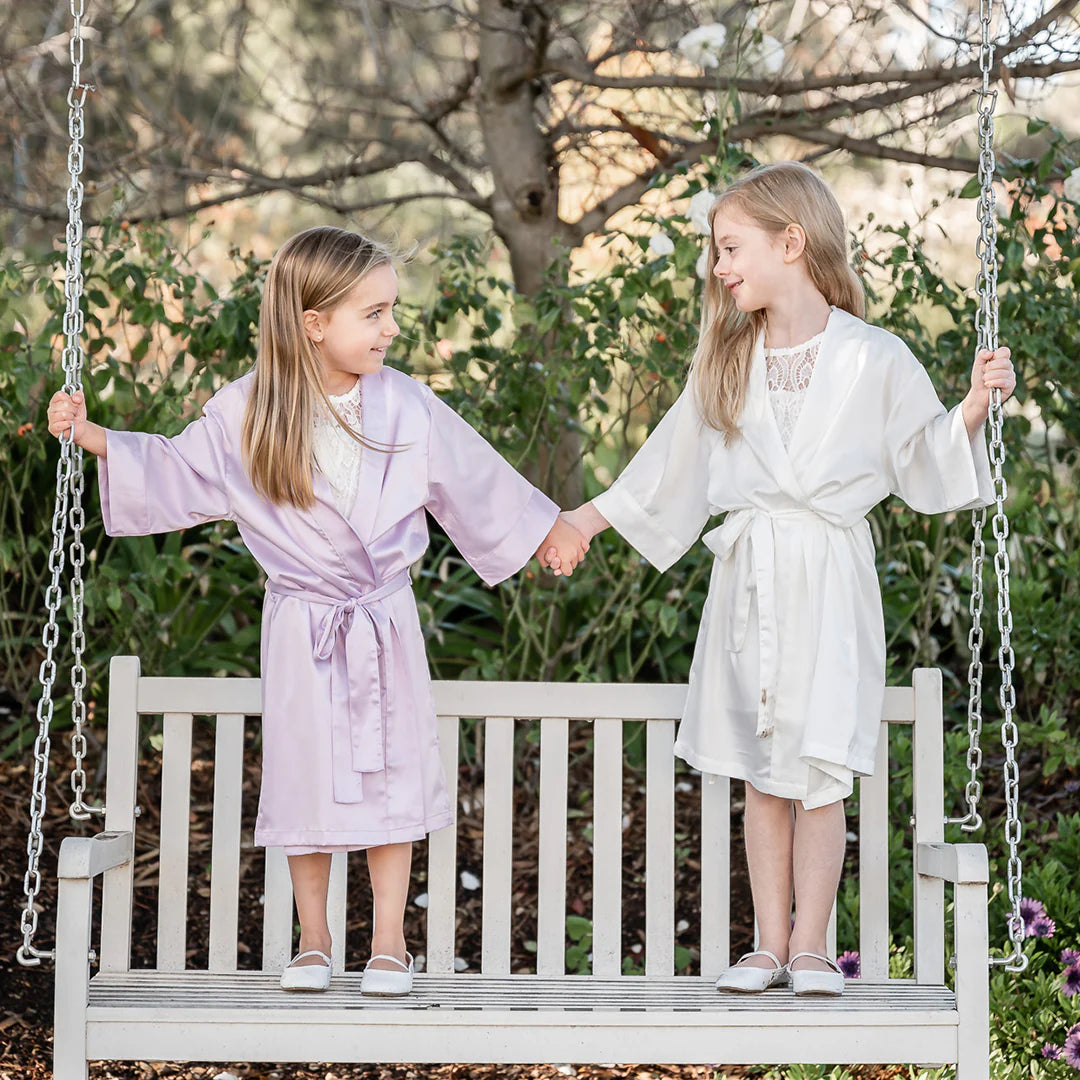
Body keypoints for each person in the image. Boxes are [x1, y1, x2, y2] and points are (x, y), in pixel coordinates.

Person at [48, 225, 589, 997]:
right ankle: (314, 938)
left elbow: (475, 477)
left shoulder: (405, 405)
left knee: (393, 774)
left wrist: (546, 529)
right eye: (373, 314)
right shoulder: (247, 412)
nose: (391, 328)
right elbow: (174, 466)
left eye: (389, 311)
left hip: (382, 618)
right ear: (313, 322)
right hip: (304, 623)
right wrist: (93, 435)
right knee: (308, 774)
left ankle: (392, 942)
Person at [552, 162, 1015, 996]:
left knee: (821, 767)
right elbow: (667, 466)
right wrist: (583, 522)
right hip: (751, 582)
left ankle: (811, 946)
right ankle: (768, 943)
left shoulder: (875, 358)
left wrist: (974, 409)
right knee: (762, 772)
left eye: (731, 248)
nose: (719, 268)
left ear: (791, 242)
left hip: (831, 579)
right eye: (716, 253)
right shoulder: (728, 360)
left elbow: (921, 459)